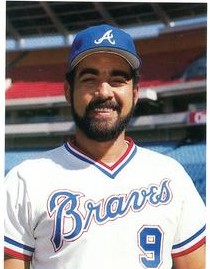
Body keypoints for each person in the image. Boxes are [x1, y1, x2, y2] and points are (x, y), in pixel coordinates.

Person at [4, 24, 205, 269]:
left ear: (135, 92)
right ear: (69, 91)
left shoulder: (172, 176)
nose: (104, 92)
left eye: (117, 80)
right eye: (90, 79)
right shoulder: (25, 180)